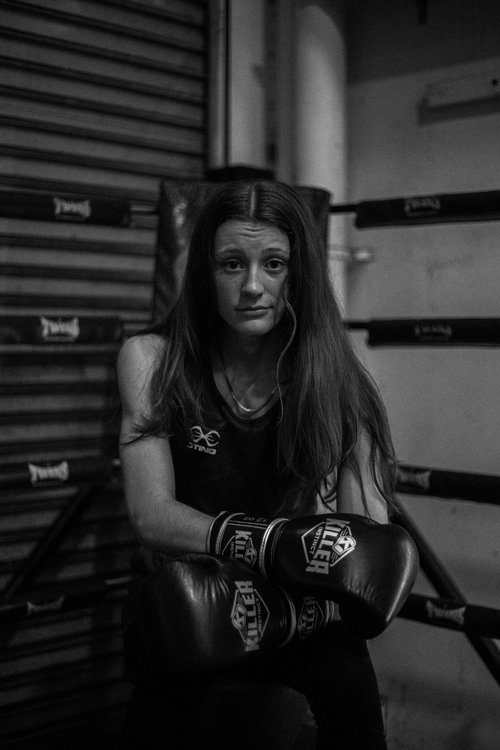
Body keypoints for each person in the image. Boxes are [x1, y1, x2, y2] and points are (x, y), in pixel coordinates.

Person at [116, 179, 410, 749]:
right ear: (206, 272)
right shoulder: (152, 360)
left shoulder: (335, 379)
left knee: (354, 703)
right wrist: (273, 544)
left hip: (295, 605)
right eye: (232, 264)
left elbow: (363, 552)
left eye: (273, 264)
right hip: (192, 599)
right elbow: (150, 514)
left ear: (297, 275)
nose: (252, 286)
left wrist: (296, 605)